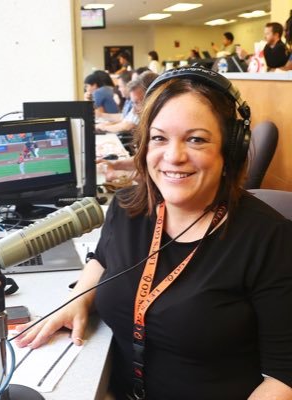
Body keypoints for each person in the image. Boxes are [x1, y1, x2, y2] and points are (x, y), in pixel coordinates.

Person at [15, 67, 292, 399]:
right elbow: (102, 257)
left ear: (230, 150)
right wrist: (78, 301)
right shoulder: (128, 207)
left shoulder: (271, 240)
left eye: (196, 139)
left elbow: (282, 377)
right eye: (160, 138)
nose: (173, 156)